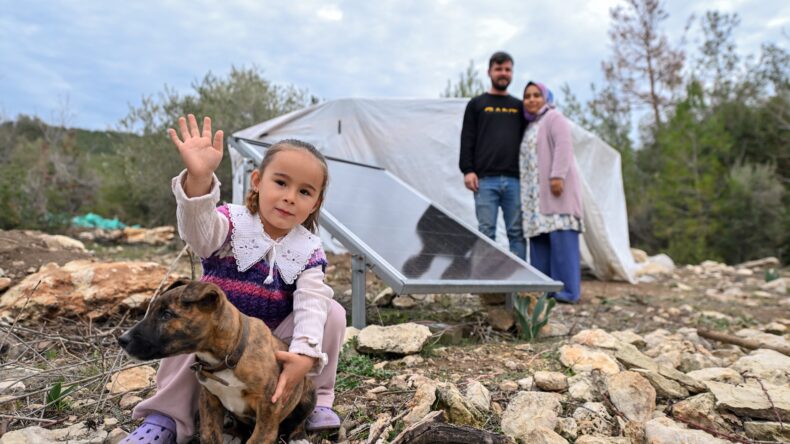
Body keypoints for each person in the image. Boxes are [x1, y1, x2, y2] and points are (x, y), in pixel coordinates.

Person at [122, 114, 345, 444]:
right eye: (280, 183)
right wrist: (199, 180)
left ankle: (317, 401)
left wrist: (303, 352)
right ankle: (166, 417)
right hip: (219, 331)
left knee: (331, 313)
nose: (290, 197)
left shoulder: (309, 248)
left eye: (305, 191)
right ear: (257, 180)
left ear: (316, 203)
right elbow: (199, 233)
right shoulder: (233, 222)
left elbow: (311, 301)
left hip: (271, 342)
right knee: (187, 328)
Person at [459, 51, 527, 260]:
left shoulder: (519, 107)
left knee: (517, 233)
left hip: (515, 179)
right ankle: (486, 285)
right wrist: (468, 170)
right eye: (499, 69)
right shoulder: (477, 104)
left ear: (512, 73)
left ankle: (519, 286)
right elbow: (467, 138)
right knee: (486, 232)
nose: (503, 73)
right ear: (489, 72)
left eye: (507, 69)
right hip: (485, 180)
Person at [519, 82, 583, 303]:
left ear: (546, 98)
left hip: (555, 191)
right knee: (540, 242)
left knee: (562, 242)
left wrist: (558, 176)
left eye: (537, 95)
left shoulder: (553, 117)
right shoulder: (531, 125)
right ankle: (545, 291)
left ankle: (567, 292)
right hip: (535, 198)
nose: (532, 99)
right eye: (527, 96)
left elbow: (564, 145)